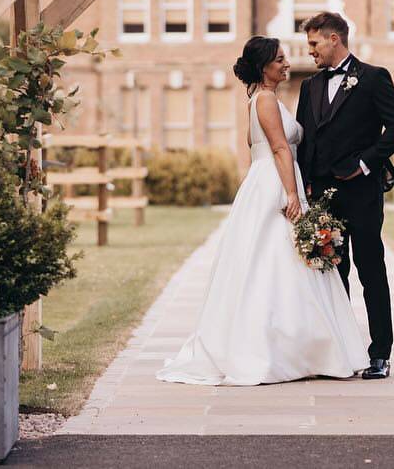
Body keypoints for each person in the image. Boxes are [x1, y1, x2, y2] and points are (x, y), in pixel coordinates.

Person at [156, 36, 368, 385]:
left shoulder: (259, 99)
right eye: (280, 59)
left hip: (270, 178)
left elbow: (257, 146)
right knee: (280, 261)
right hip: (276, 183)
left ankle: (302, 348)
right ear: (263, 66)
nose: (287, 64)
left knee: (282, 262)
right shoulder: (266, 100)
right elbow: (280, 148)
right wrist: (292, 194)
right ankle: (286, 350)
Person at [295, 12, 394, 380]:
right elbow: (305, 142)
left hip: (362, 192)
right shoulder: (309, 86)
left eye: (314, 43)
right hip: (322, 196)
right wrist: (305, 186)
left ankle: (380, 354)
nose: (310, 50)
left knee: (370, 269)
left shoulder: (374, 78)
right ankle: (342, 351)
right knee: (331, 272)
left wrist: (364, 163)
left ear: (334, 39)